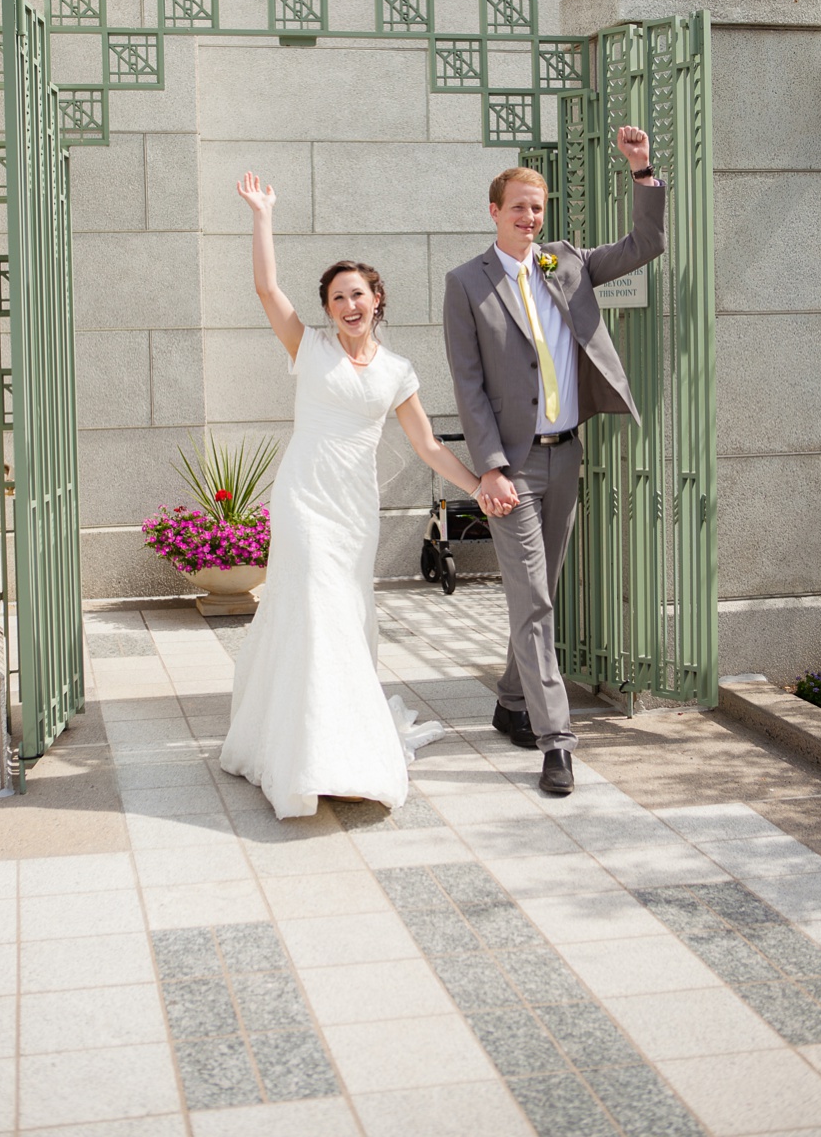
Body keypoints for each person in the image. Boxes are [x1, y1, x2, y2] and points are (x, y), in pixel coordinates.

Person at [218, 172, 480, 819]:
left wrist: (480, 486)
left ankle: (344, 745)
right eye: (337, 298)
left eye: (357, 294)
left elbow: (427, 447)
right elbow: (265, 288)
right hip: (305, 501)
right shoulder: (308, 349)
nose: (348, 305)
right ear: (328, 308)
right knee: (311, 608)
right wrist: (263, 215)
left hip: (354, 511)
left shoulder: (397, 372)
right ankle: (305, 752)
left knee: (343, 616)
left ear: (377, 298)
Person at [442, 128, 664, 798]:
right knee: (533, 600)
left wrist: (643, 172)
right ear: (494, 211)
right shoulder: (466, 285)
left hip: (566, 458)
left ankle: (513, 700)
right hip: (509, 468)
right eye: (518, 208)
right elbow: (468, 384)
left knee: (544, 591)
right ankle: (556, 740)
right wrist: (488, 467)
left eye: (537, 208)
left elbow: (645, 245)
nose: (529, 218)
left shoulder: (565, 262)